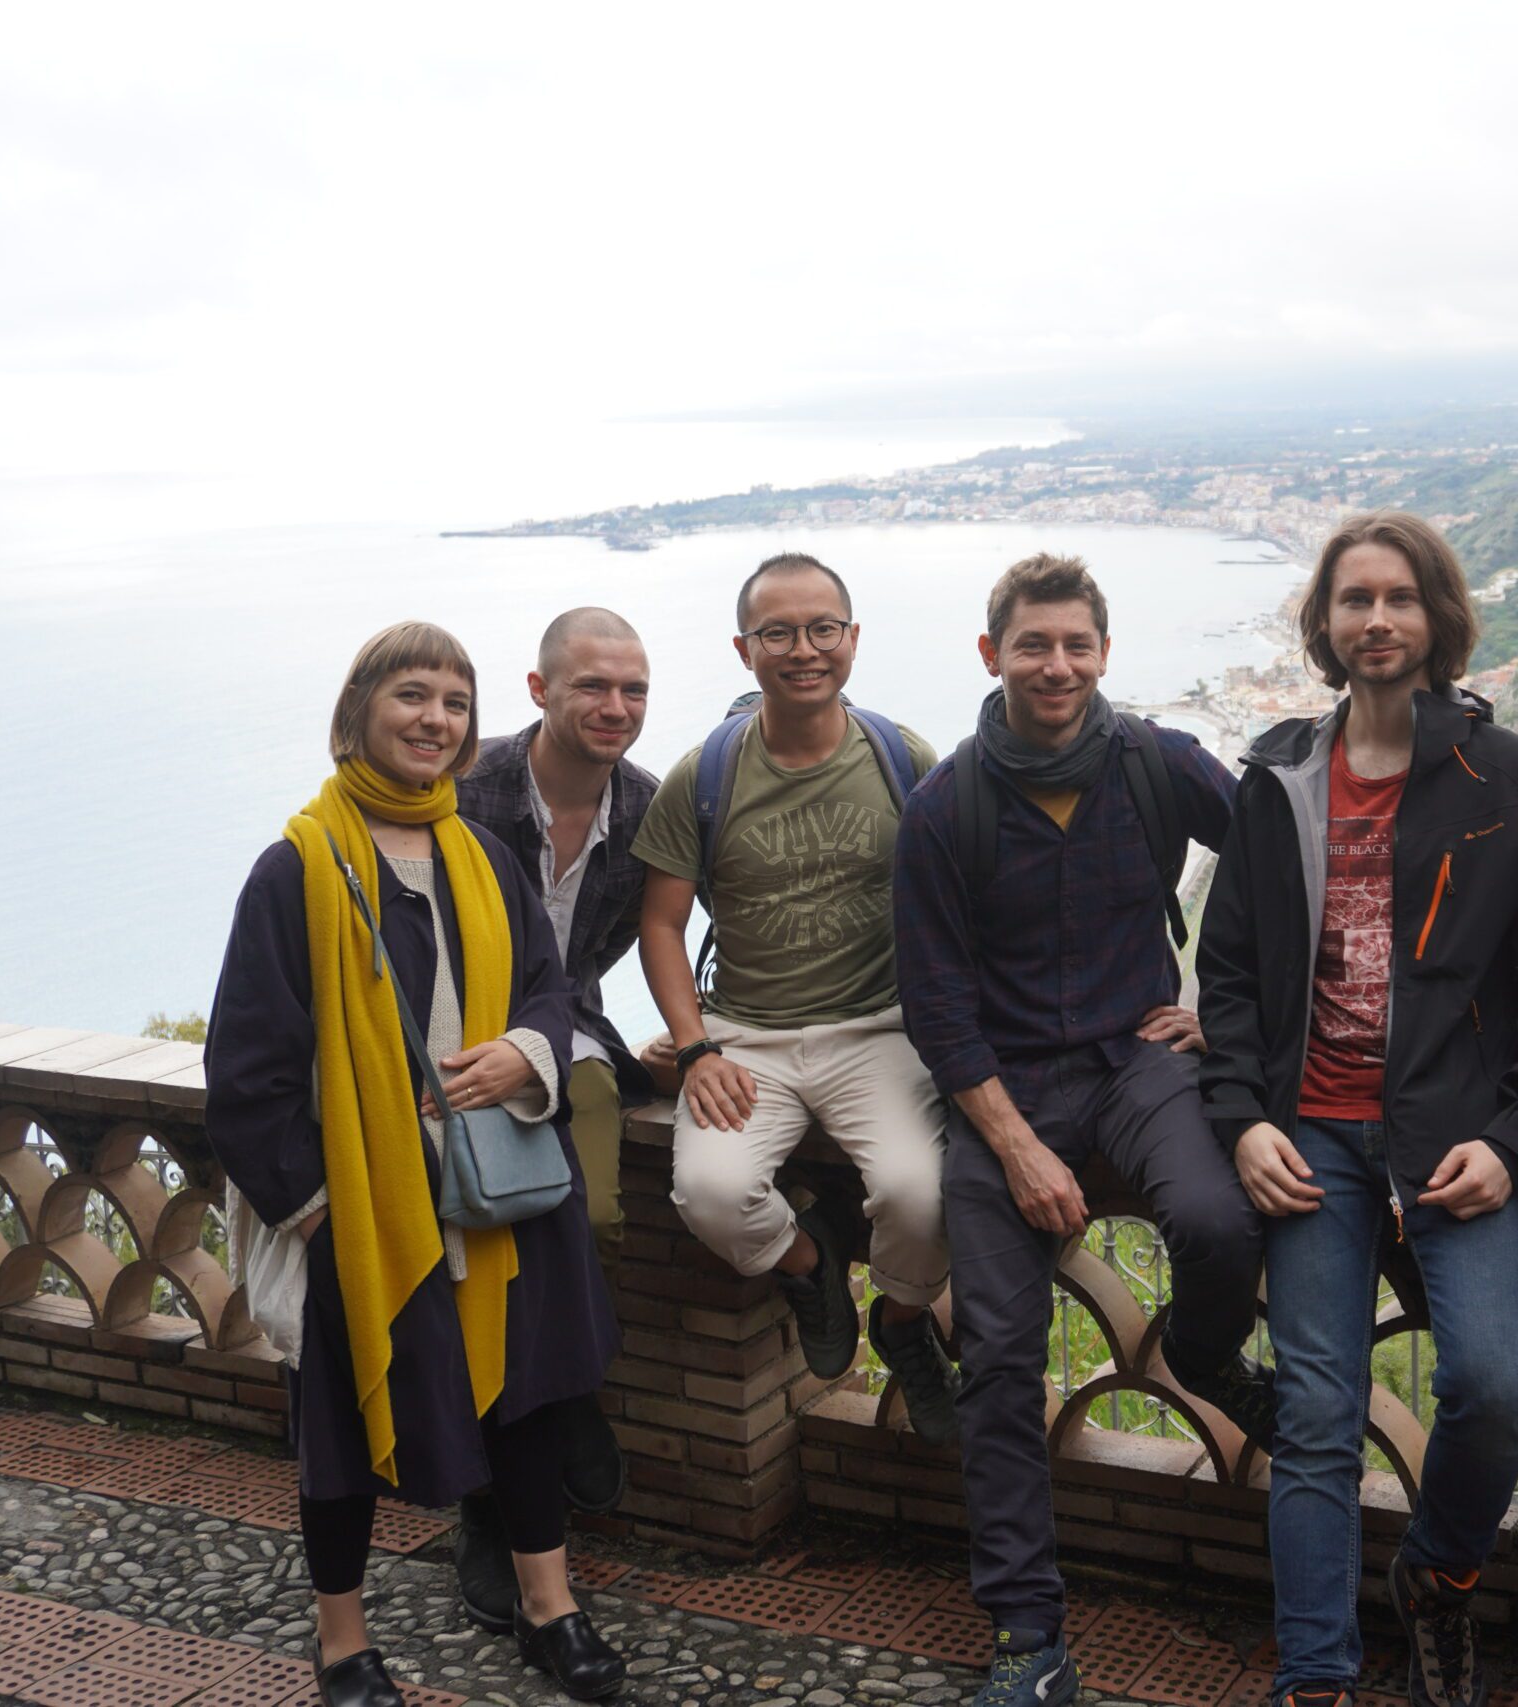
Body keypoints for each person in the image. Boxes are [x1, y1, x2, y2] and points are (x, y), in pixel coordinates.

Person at [1196, 512, 1518, 1707]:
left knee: (1493, 1389)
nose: (1375, 620)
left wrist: (1517, 1136)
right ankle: (1315, 1678)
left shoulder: (1513, 780)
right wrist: (1241, 1117)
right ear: (1324, 625)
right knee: (1318, 1416)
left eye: (1399, 599)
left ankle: (1438, 1572)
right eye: (1353, 600)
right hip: (1309, 1135)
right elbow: (1227, 977)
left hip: (1459, 1138)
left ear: (1437, 619)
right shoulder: (1275, 780)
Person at [205, 622, 627, 1706]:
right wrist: (320, 1220)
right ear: (360, 712)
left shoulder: (478, 856)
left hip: (498, 1187)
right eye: (412, 696)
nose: (434, 720)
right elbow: (246, 1074)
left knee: (525, 1404)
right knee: (338, 1430)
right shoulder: (293, 869)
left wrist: (525, 1054)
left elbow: (551, 990)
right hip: (362, 1204)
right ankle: (342, 1643)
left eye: (453, 702)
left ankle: (549, 1608)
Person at [892, 553, 1274, 1707]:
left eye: (1075, 645)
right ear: (990, 654)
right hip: (1003, 1086)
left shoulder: (1156, 764)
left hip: (1135, 1058)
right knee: (1000, 1355)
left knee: (1217, 1222)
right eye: (1031, 644)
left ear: (1104, 652)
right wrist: (1012, 1143)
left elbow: (1272, 859)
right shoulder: (946, 804)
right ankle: (1024, 1630)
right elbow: (935, 1001)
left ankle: (1203, 1356)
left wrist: (1222, 1011)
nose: (1054, 665)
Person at [631, 552, 962, 1440]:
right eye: (778, 631)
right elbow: (660, 924)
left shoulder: (904, 759)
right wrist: (694, 1045)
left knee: (919, 1193)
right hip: (748, 1035)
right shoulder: (702, 776)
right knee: (710, 1192)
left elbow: (958, 895)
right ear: (745, 650)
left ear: (852, 640)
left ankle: (899, 1321)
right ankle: (810, 1263)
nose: (803, 648)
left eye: (822, 629)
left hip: (881, 1027)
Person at [449, 606, 658, 1630]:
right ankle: (492, 1499)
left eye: (633, 691)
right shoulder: (467, 788)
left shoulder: (648, 810)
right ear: (539, 691)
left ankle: (562, 1399)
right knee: (482, 1262)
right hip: (453, 1053)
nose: (615, 708)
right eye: (592, 687)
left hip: (559, 1035)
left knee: (584, 1222)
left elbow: (598, 965)